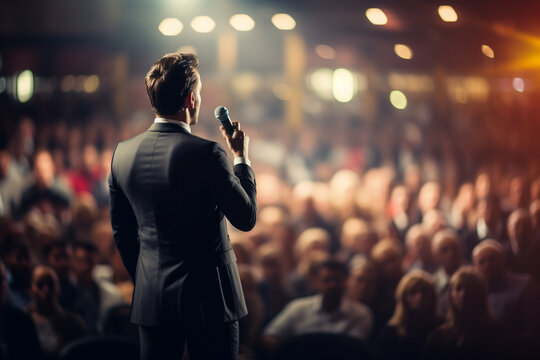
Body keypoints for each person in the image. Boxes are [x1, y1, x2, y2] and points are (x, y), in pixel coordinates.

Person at [108, 52, 257, 360]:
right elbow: (245, 217)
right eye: (200, 93)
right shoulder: (208, 153)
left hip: (153, 301)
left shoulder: (122, 154)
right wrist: (241, 157)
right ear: (191, 99)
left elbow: (122, 231)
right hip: (210, 300)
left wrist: (147, 278)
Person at [262, 259, 373, 349]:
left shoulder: (360, 314)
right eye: (327, 280)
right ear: (317, 283)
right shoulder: (297, 308)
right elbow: (269, 336)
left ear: (345, 282)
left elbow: (354, 349)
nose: (332, 285)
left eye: (337, 280)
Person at [422, 267, 504, 360]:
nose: (463, 294)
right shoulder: (438, 337)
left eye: (470, 289)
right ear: (450, 294)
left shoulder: (494, 332)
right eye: (458, 288)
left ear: (480, 294)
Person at [376, 270, 441, 360]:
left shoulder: (442, 330)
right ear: (403, 298)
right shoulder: (390, 334)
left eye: (425, 291)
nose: (420, 297)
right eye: (413, 292)